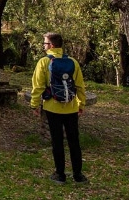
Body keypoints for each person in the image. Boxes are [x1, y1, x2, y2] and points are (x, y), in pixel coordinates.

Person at [30, 32, 88, 184]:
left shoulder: (43, 62)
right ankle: (78, 175)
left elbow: (38, 87)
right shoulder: (73, 62)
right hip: (71, 107)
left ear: (52, 45)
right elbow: (80, 86)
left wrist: (35, 105)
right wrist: (81, 104)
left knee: (57, 141)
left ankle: (60, 175)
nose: (43, 46)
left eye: (45, 43)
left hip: (52, 107)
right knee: (74, 141)